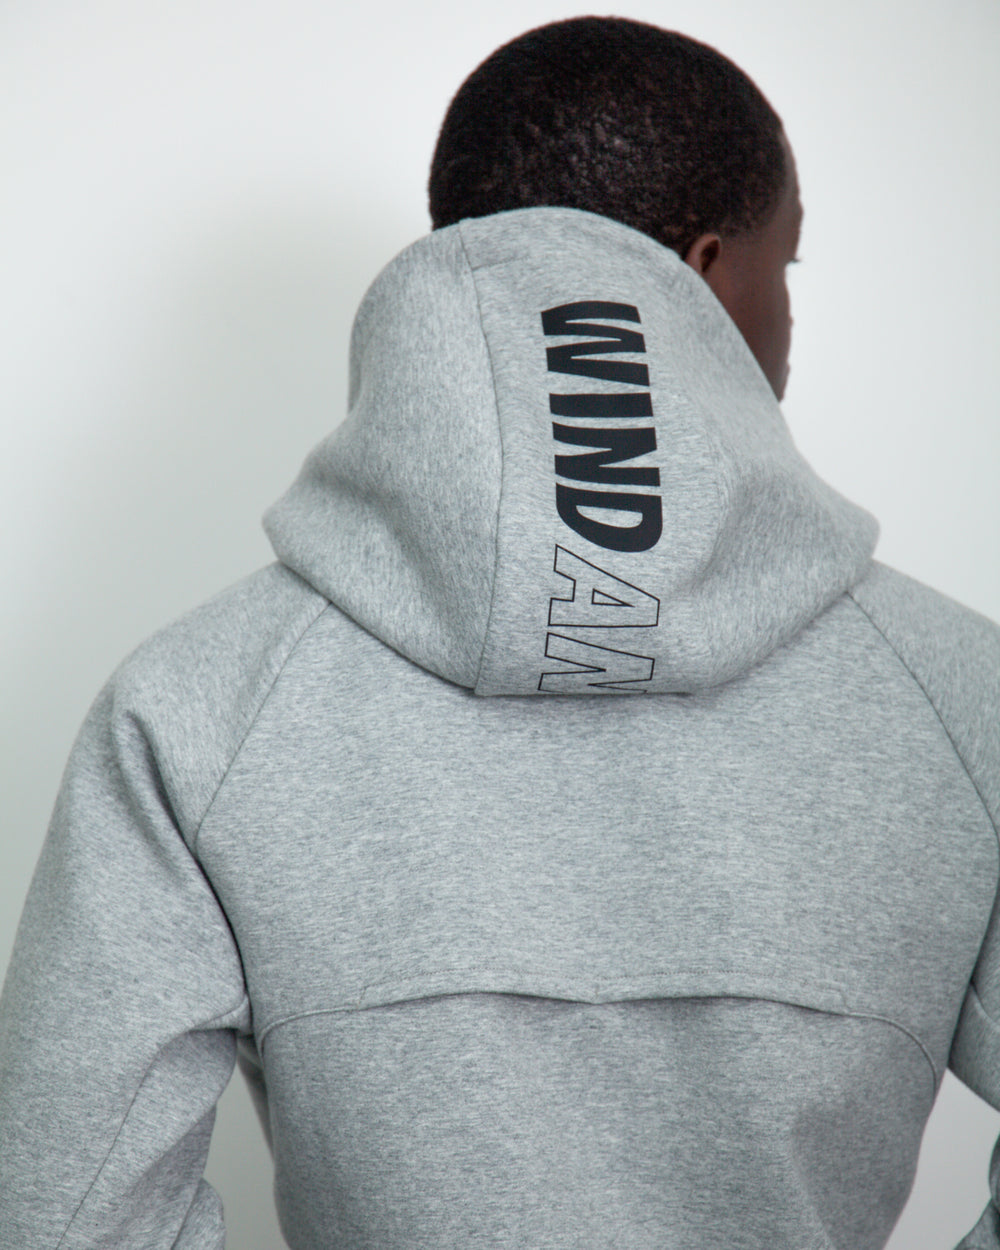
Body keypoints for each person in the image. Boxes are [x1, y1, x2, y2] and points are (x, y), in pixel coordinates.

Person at [1, 15, 997, 1248]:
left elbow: (64, 1211)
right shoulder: (962, 699)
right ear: (707, 270)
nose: (787, 315)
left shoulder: (200, 704)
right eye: (785, 265)